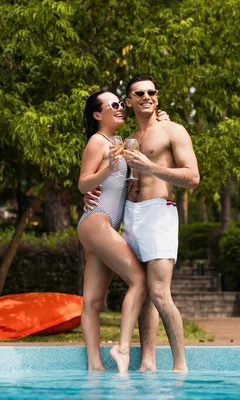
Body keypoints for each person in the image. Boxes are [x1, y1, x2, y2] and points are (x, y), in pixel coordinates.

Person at [86, 75, 200, 372]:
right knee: (143, 290)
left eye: (152, 91)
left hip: (158, 212)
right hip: (129, 216)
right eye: (140, 93)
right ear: (130, 100)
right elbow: (105, 179)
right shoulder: (126, 139)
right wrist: (89, 199)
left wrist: (152, 168)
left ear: (157, 97)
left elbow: (193, 178)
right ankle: (147, 362)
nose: (147, 96)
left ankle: (180, 366)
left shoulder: (172, 130)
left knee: (160, 292)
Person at [77, 90, 147, 373]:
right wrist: (107, 169)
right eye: (114, 105)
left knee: (93, 301)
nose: (120, 108)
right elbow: (83, 184)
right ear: (98, 114)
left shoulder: (117, 141)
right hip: (98, 221)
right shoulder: (97, 141)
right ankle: (121, 348)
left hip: (99, 225)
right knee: (140, 279)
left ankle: (95, 366)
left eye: (121, 103)